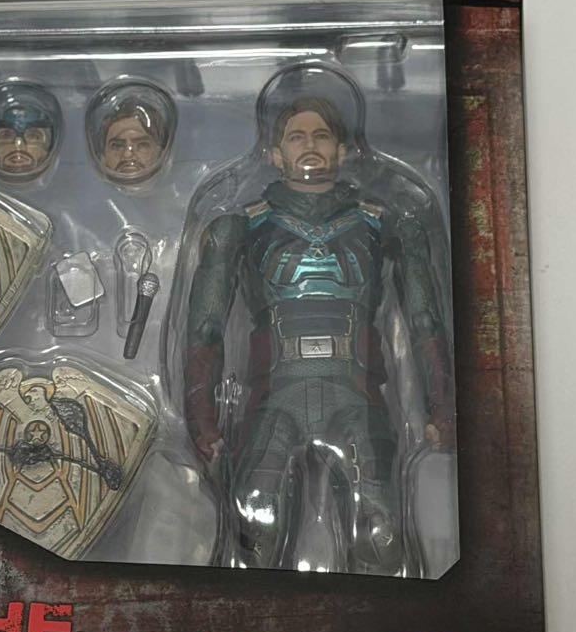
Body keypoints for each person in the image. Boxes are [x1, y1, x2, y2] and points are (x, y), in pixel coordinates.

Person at [184, 95, 454, 574]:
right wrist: (202, 422)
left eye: (321, 136)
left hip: (356, 394)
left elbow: (424, 318)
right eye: (296, 137)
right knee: (253, 533)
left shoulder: (384, 223)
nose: (309, 146)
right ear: (276, 153)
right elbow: (205, 327)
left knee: (381, 537)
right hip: (275, 396)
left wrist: (443, 406)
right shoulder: (239, 226)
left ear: (342, 150)